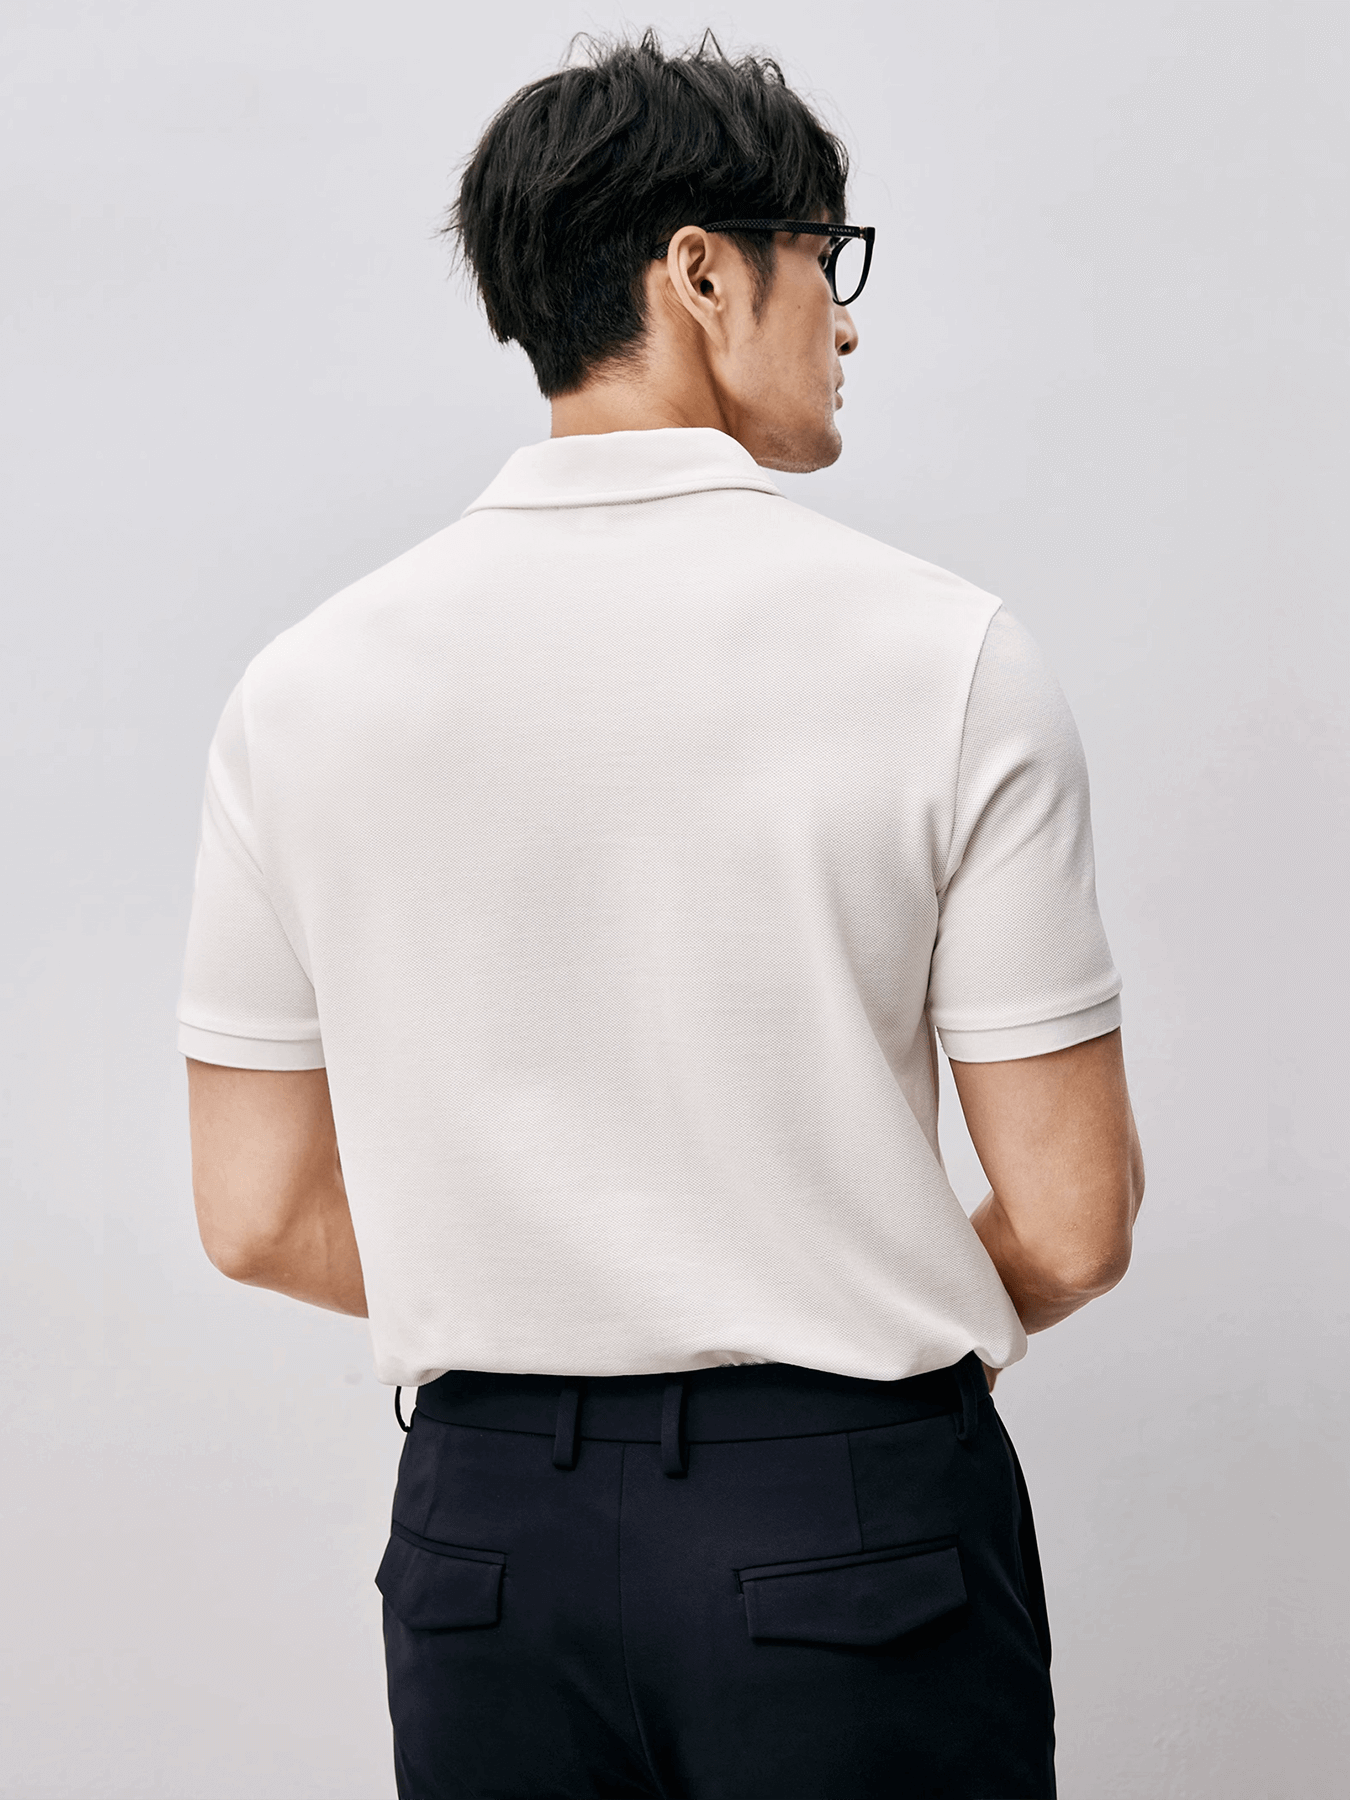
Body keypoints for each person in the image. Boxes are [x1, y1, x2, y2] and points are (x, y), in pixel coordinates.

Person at [177, 30, 1144, 1800]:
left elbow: (253, 1216)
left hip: (482, 1546)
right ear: (701, 271)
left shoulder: (303, 688)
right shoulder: (942, 657)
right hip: (845, 1515)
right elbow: (1074, 1225)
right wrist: (817, 1315)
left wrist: (558, 1285)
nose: (845, 322)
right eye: (825, 259)